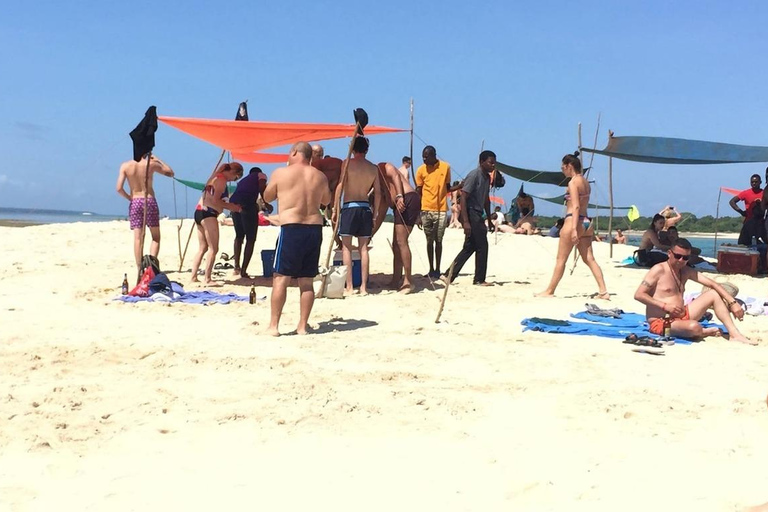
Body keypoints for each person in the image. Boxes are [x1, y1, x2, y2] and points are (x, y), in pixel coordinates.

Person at [263, 142, 330, 336]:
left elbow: (268, 197)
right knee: (306, 280)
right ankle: (302, 326)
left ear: (294, 152)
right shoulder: (320, 176)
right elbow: (325, 201)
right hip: (314, 228)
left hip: (291, 227)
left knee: (281, 278)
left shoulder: (281, 172)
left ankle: (274, 326)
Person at [633, 238, 754, 344]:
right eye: (677, 256)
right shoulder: (658, 269)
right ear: (669, 253)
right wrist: (664, 306)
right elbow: (639, 295)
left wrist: (733, 303)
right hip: (661, 322)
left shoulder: (685, 270)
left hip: (682, 315)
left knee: (712, 294)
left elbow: (713, 284)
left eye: (685, 258)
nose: (681, 260)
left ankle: (735, 334)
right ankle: (703, 332)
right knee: (694, 327)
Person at [536, 152, 609, 299]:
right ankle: (603, 291)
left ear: (569, 166)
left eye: (563, 167)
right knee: (589, 258)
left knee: (561, 259)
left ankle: (550, 290)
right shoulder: (586, 182)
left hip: (573, 221)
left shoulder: (573, 182)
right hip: (587, 221)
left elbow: (575, 206)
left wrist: (574, 229)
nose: (562, 171)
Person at [332, 136, 382, 296]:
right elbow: (379, 194)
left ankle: (350, 286)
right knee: (363, 249)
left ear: (352, 149)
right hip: (365, 207)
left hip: (349, 207)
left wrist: (335, 208)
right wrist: (375, 214)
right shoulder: (373, 168)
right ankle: (364, 288)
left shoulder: (347, 164)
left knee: (346, 247)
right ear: (366, 150)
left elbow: (340, 186)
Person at [441, 150, 497, 286]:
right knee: (482, 246)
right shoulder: (474, 175)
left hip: (478, 214)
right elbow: (464, 198)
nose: (493, 166)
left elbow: (486, 200)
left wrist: (489, 219)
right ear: (482, 162)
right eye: (490, 162)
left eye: (494, 163)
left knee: (469, 247)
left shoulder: (487, 177)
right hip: (471, 213)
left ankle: (448, 275)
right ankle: (479, 279)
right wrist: (465, 221)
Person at [116, 154, 174, 273]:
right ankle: (151, 266)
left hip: (136, 200)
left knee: (138, 238)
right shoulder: (150, 164)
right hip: (149, 200)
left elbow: (119, 188)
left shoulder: (125, 166)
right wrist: (158, 159)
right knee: (156, 237)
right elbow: (170, 173)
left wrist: (129, 198)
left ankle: (139, 268)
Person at [189, 162, 243, 285]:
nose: (233, 180)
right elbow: (215, 200)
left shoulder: (214, 176)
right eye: (236, 178)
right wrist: (232, 207)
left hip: (199, 211)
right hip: (209, 213)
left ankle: (193, 276)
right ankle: (207, 278)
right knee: (214, 248)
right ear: (233, 173)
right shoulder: (221, 180)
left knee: (203, 248)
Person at [379, 161, 419, 293]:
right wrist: (371, 233)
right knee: (396, 244)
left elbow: (396, 175)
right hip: (399, 204)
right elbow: (383, 210)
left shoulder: (383, 167)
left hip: (407, 198)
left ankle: (408, 281)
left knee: (402, 242)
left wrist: (399, 195)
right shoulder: (379, 184)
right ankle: (396, 279)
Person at [416, 146, 452, 278]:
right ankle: (431, 268)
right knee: (429, 240)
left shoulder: (445, 167)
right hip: (425, 210)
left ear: (434, 155)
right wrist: (418, 214)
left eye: (427, 157)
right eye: (423, 157)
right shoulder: (420, 170)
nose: (424, 159)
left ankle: (438, 268)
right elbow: (418, 192)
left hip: (441, 209)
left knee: (439, 240)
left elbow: (447, 188)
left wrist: (459, 187)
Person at [229, 166, 268, 278]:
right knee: (250, 239)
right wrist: (266, 202)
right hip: (247, 203)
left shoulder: (243, 181)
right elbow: (262, 188)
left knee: (239, 236)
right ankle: (244, 270)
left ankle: (236, 267)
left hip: (234, 204)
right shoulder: (261, 175)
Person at [730, 174, 765, 246]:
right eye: (752, 182)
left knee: (761, 245)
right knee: (743, 244)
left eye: (756, 182)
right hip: (749, 223)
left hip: (761, 224)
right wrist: (741, 212)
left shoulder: (764, 193)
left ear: (760, 182)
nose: (754, 183)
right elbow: (732, 201)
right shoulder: (746, 193)